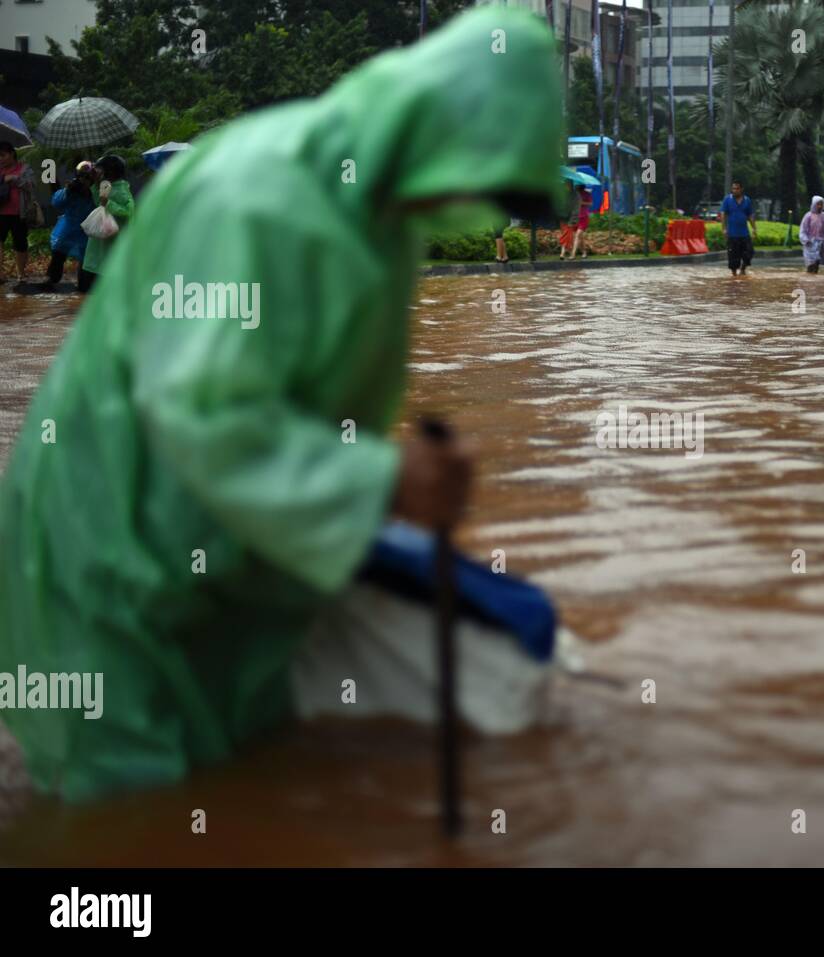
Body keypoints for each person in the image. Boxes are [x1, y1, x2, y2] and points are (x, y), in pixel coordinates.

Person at [0, 7, 566, 802]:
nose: (472, 209)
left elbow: (321, 413)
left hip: (233, 549)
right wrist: (385, 480)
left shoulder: (382, 221)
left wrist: (369, 481)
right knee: (132, 813)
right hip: (110, 549)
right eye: (481, 181)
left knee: (239, 781)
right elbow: (204, 413)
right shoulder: (258, 198)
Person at [39, 161, 97, 292]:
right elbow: (56, 202)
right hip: (68, 228)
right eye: (82, 176)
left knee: (86, 264)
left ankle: (85, 284)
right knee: (58, 254)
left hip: (87, 231)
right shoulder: (72, 188)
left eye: (88, 177)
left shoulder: (96, 190)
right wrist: (67, 191)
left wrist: (91, 193)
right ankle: (50, 280)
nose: (85, 180)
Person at [80, 154, 135, 293]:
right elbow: (98, 202)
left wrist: (109, 204)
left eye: (100, 169)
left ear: (109, 172)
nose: (97, 172)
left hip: (112, 242)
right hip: (102, 241)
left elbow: (128, 211)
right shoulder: (106, 186)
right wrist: (94, 185)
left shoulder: (121, 189)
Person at [0, 140, 37, 284]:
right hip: (0, 212)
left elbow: (31, 185)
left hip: (19, 213)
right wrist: (4, 178)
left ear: (12, 154)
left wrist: (15, 179)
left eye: (2, 155)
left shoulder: (24, 169)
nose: (0, 159)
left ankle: (21, 274)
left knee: (20, 244)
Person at [718, 179, 755, 276]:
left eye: (737, 189)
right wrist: (724, 229)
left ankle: (743, 269)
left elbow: (750, 215)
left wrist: (754, 228)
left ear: (741, 189)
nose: (735, 191)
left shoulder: (747, 200)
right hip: (732, 234)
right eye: (733, 188)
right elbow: (723, 214)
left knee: (749, 252)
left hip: (744, 233)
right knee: (733, 257)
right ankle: (734, 275)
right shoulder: (727, 200)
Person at [799, 195, 824, 274]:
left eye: (821, 204)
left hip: (821, 242)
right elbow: (803, 229)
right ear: (814, 204)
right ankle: (809, 275)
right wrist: (805, 239)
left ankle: (815, 276)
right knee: (811, 263)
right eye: (818, 204)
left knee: (817, 261)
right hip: (810, 243)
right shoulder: (808, 216)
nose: (820, 206)